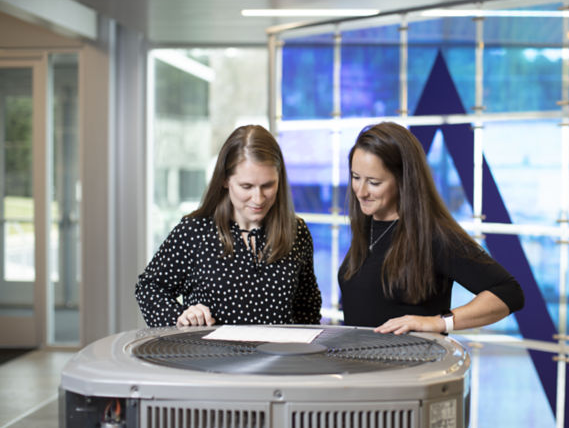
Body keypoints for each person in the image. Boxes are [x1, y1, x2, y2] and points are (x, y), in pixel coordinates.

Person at [339, 122, 524, 334]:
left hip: (412, 356)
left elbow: (509, 292)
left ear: (403, 180)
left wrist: (439, 322)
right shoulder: (368, 224)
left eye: (374, 182)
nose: (360, 192)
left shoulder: (434, 235)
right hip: (359, 355)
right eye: (356, 177)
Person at [135, 124, 322, 327]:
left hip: (280, 349)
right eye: (246, 186)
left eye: (268, 185)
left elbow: (308, 307)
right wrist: (180, 318)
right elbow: (148, 288)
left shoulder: (296, 232)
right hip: (209, 348)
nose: (258, 198)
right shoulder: (195, 232)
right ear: (225, 180)